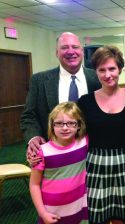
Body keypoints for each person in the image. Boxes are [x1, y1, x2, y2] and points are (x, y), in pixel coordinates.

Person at [77, 45, 125, 224]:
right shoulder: (85, 102)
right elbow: (77, 136)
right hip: (96, 165)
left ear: (120, 69)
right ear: (95, 72)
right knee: (99, 216)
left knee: (121, 218)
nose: (108, 74)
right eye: (102, 70)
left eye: (112, 68)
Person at [20, 32, 101, 163]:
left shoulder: (98, 78)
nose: (70, 51)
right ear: (56, 53)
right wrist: (33, 137)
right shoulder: (39, 80)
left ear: (82, 51)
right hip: (53, 155)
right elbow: (29, 115)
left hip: (93, 153)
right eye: (64, 47)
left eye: (75, 47)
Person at [30, 102, 88, 224]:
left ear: (78, 125)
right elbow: (34, 184)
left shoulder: (84, 142)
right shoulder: (42, 152)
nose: (65, 127)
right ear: (52, 125)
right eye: (59, 123)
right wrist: (42, 213)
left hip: (79, 210)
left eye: (71, 123)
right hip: (52, 213)